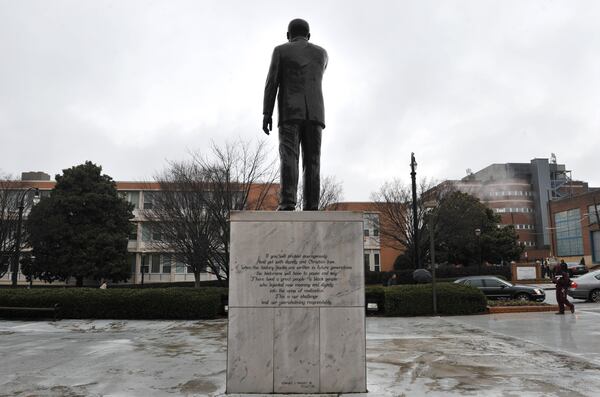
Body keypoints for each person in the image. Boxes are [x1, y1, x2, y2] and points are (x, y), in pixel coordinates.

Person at [262, 18, 328, 210]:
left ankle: (288, 202)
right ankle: (311, 205)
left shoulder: (280, 51)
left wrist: (267, 112)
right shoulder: (322, 54)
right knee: (313, 159)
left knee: (289, 156)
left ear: (288, 36)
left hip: (290, 110)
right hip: (316, 113)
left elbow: (271, 82)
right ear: (308, 36)